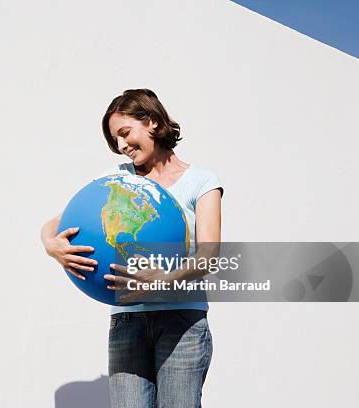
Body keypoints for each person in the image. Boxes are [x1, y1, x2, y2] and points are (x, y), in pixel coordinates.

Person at [40, 89, 223, 407]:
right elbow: (52, 226)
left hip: (182, 321)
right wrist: (51, 246)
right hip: (127, 321)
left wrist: (163, 279)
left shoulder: (201, 181)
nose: (122, 146)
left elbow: (209, 255)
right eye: (116, 141)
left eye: (125, 133)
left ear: (151, 121)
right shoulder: (116, 181)